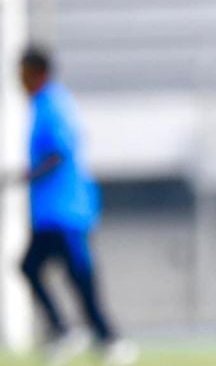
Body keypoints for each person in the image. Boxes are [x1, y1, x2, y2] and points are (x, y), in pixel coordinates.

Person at [16, 48, 137, 366]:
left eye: (22, 72)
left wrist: (26, 176)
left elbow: (60, 151)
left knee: (80, 276)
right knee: (31, 268)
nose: (19, 80)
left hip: (65, 210)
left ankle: (109, 338)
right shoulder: (43, 104)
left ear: (36, 72)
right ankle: (66, 330)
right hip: (49, 212)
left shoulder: (53, 104)